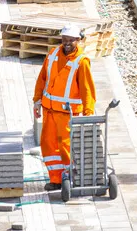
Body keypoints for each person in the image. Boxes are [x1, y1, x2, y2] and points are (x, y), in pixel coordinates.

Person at [32, 25, 95, 192]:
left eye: (71, 40)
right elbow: (42, 79)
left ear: (78, 40)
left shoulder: (81, 62)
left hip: (68, 114)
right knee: (48, 145)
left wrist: (88, 114)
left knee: (67, 147)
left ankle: (71, 177)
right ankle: (56, 179)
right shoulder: (52, 55)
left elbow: (87, 89)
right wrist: (37, 100)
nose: (67, 43)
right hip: (49, 110)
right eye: (65, 39)